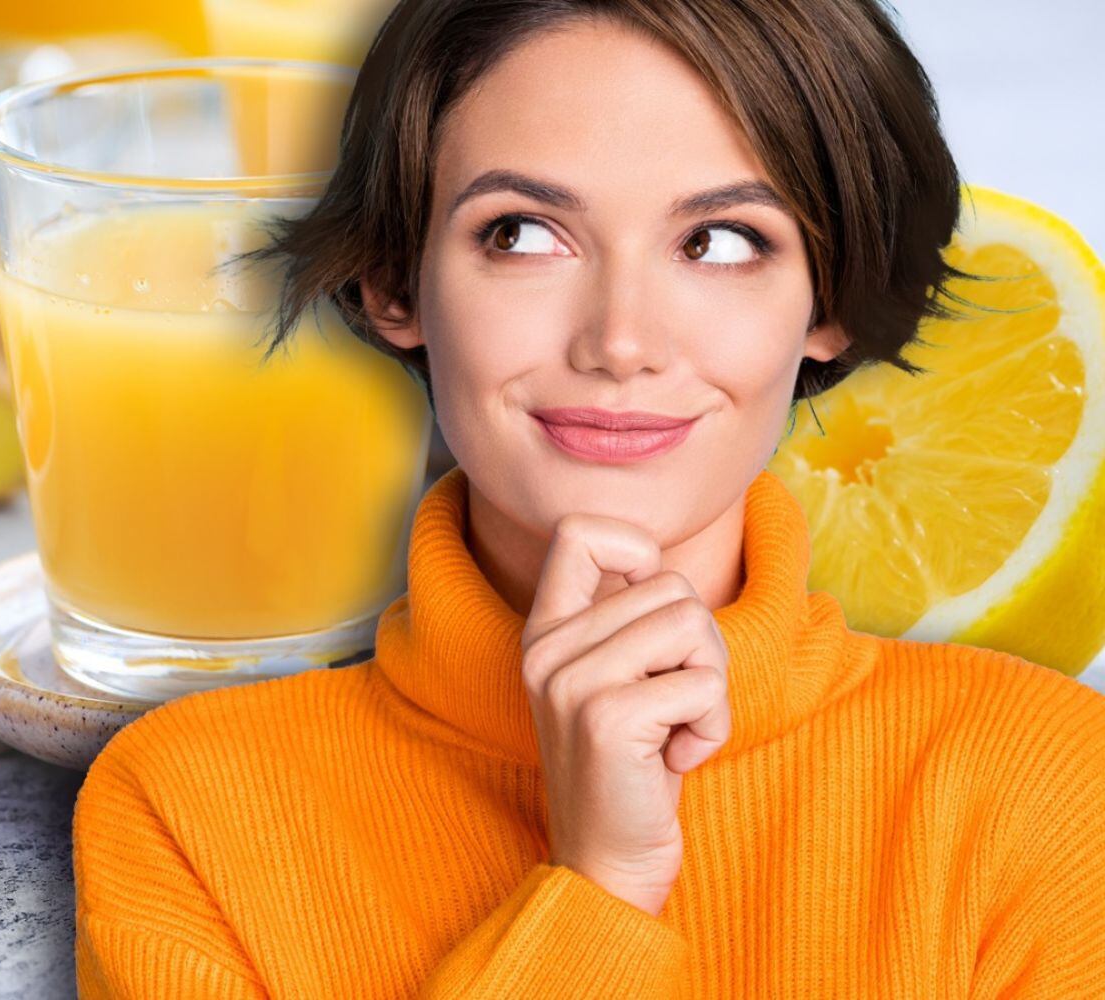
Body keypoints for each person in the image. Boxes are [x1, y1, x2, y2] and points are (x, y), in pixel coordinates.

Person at [71, 1, 1105, 995]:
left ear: (831, 296)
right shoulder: (182, 807)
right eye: (521, 234)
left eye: (723, 242)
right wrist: (600, 888)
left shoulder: (1047, 778)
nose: (619, 341)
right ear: (395, 283)